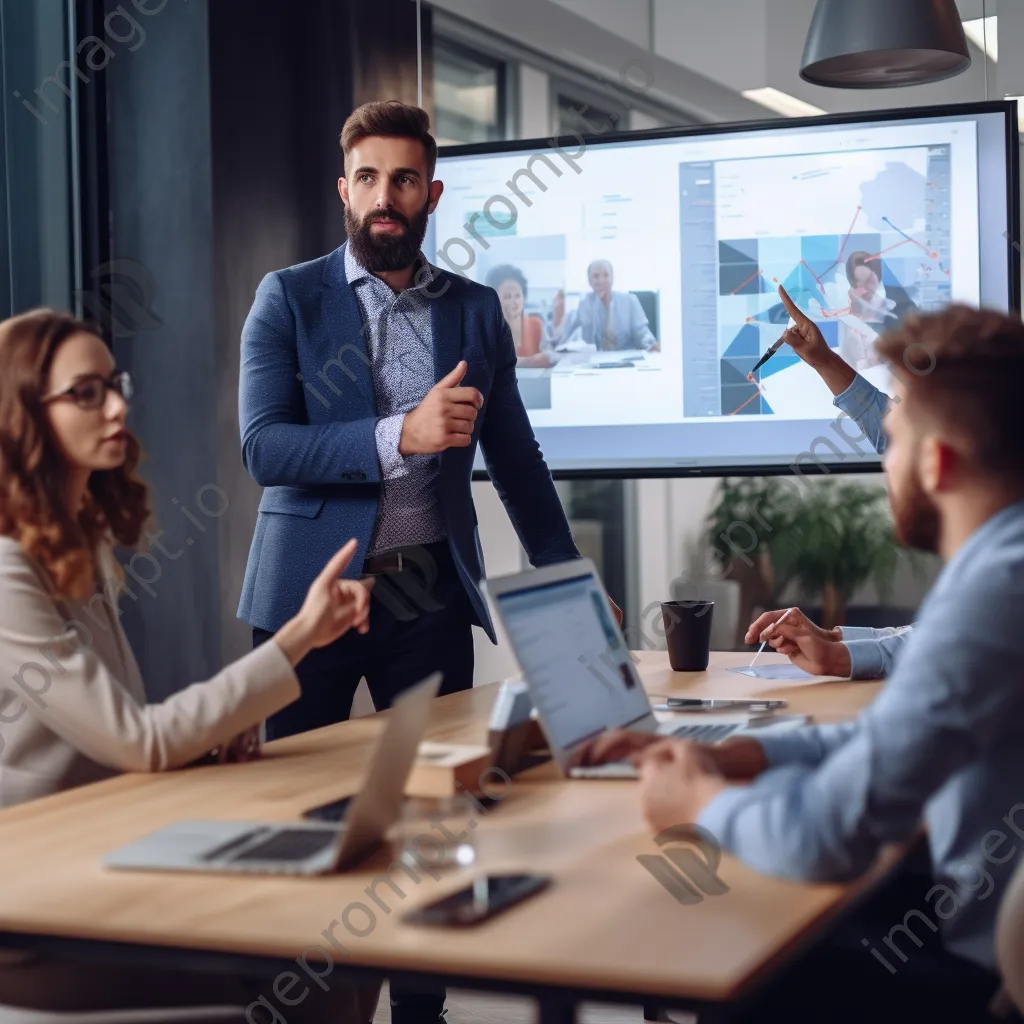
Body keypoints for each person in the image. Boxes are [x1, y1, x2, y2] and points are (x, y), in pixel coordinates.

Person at [237, 100, 614, 1024]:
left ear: (432, 193)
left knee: (434, 820)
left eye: (403, 179)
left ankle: (421, 1011)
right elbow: (264, 448)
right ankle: (306, 1009)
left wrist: (569, 597)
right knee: (307, 824)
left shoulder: (475, 313)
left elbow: (517, 464)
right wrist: (395, 436)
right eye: (367, 178)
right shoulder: (287, 298)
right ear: (343, 190)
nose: (384, 197)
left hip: (429, 594)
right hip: (310, 602)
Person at [578, 305, 1024, 1023]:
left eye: (892, 440)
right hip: (979, 931)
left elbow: (824, 837)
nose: (885, 460)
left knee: (722, 941)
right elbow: (886, 742)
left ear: (937, 463)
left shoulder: (998, 585)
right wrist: (738, 756)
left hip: (979, 982)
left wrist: (698, 804)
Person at [0, 309, 377, 1023]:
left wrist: (201, 748)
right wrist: (296, 638)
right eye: (85, 393)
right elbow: (136, 740)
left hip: (98, 859)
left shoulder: (76, 543)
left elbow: (115, 747)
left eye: (115, 386)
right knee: (319, 977)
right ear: (24, 415)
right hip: (35, 912)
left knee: (342, 956)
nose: (115, 407)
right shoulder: (7, 570)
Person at [552, 259, 659, 352]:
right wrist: (559, 318)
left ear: (612, 278)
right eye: (596, 276)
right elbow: (565, 333)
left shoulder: (630, 301)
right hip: (596, 359)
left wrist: (651, 345)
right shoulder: (585, 304)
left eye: (606, 275)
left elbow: (642, 332)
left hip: (626, 356)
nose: (601, 281)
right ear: (589, 281)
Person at [840, 251, 918, 370]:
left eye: (869, 281)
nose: (866, 288)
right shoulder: (848, 313)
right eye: (858, 283)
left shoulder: (900, 306)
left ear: (878, 277)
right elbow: (846, 356)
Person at [484, 264, 551, 368]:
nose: (513, 302)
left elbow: (549, 356)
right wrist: (529, 361)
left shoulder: (536, 325)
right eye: (507, 297)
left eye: (517, 296)